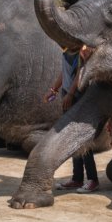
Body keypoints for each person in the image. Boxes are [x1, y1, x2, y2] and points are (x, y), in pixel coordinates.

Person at [45, 45, 99, 193]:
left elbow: (80, 72)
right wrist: (54, 89)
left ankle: (93, 179)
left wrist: (71, 94)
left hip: (79, 95)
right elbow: (65, 71)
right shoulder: (67, 49)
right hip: (67, 94)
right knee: (72, 137)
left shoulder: (83, 48)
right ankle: (77, 178)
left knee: (81, 137)